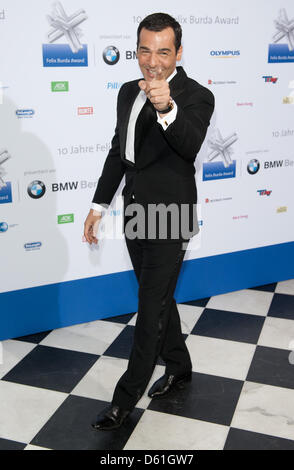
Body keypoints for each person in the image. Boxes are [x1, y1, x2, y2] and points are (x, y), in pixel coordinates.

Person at [83, 12, 215, 431]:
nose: (152, 60)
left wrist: (168, 108)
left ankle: (125, 399)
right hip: (136, 211)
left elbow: (190, 143)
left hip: (171, 215)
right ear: (136, 50)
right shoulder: (126, 91)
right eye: (145, 50)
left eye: (163, 51)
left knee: (149, 306)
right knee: (156, 297)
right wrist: (99, 205)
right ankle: (178, 364)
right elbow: (118, 151)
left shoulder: (197, 96)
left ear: (178, 52)